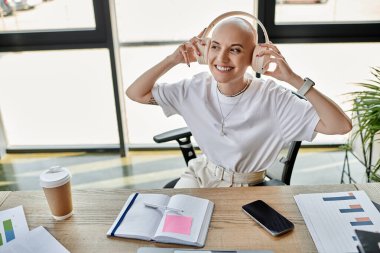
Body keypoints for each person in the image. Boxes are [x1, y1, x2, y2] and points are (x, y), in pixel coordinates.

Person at [126, 16, 352, 188]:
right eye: (215, 47)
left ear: (255, 58)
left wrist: (294, 80)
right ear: (205, 51)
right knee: (178, 234)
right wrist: (174, 58)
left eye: (235, 50)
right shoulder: (194, 88)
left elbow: (341, 126)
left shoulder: (273, 98)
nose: (222, 58)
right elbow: (136, 93)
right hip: (200, 175)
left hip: (248, 187)